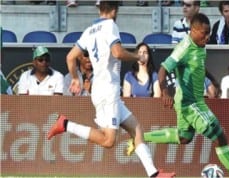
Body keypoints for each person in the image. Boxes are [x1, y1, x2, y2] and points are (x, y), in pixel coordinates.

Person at [47, 1, 175, 177]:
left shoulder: (89, 31)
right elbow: (117, 52)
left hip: (104, 89)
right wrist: (137, 56)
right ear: (115, 10)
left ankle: (153, 173)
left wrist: (76, 78)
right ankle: (65, 124)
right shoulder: (111, 26)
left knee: (136, 128)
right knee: (108, 140)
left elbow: (70, 57)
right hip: (108, 90)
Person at [127, 13, 229, 177]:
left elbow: (199, 66)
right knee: (219, 136)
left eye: (209, 32)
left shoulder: (200, 45)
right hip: (190, 103)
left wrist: (213, 81)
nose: (207, 36)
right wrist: (165, 91)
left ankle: (139, 138)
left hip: (189, 100)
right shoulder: (183, 48)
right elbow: (163, 69)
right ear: (193, 30)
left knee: (184, 137)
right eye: (204, 33)